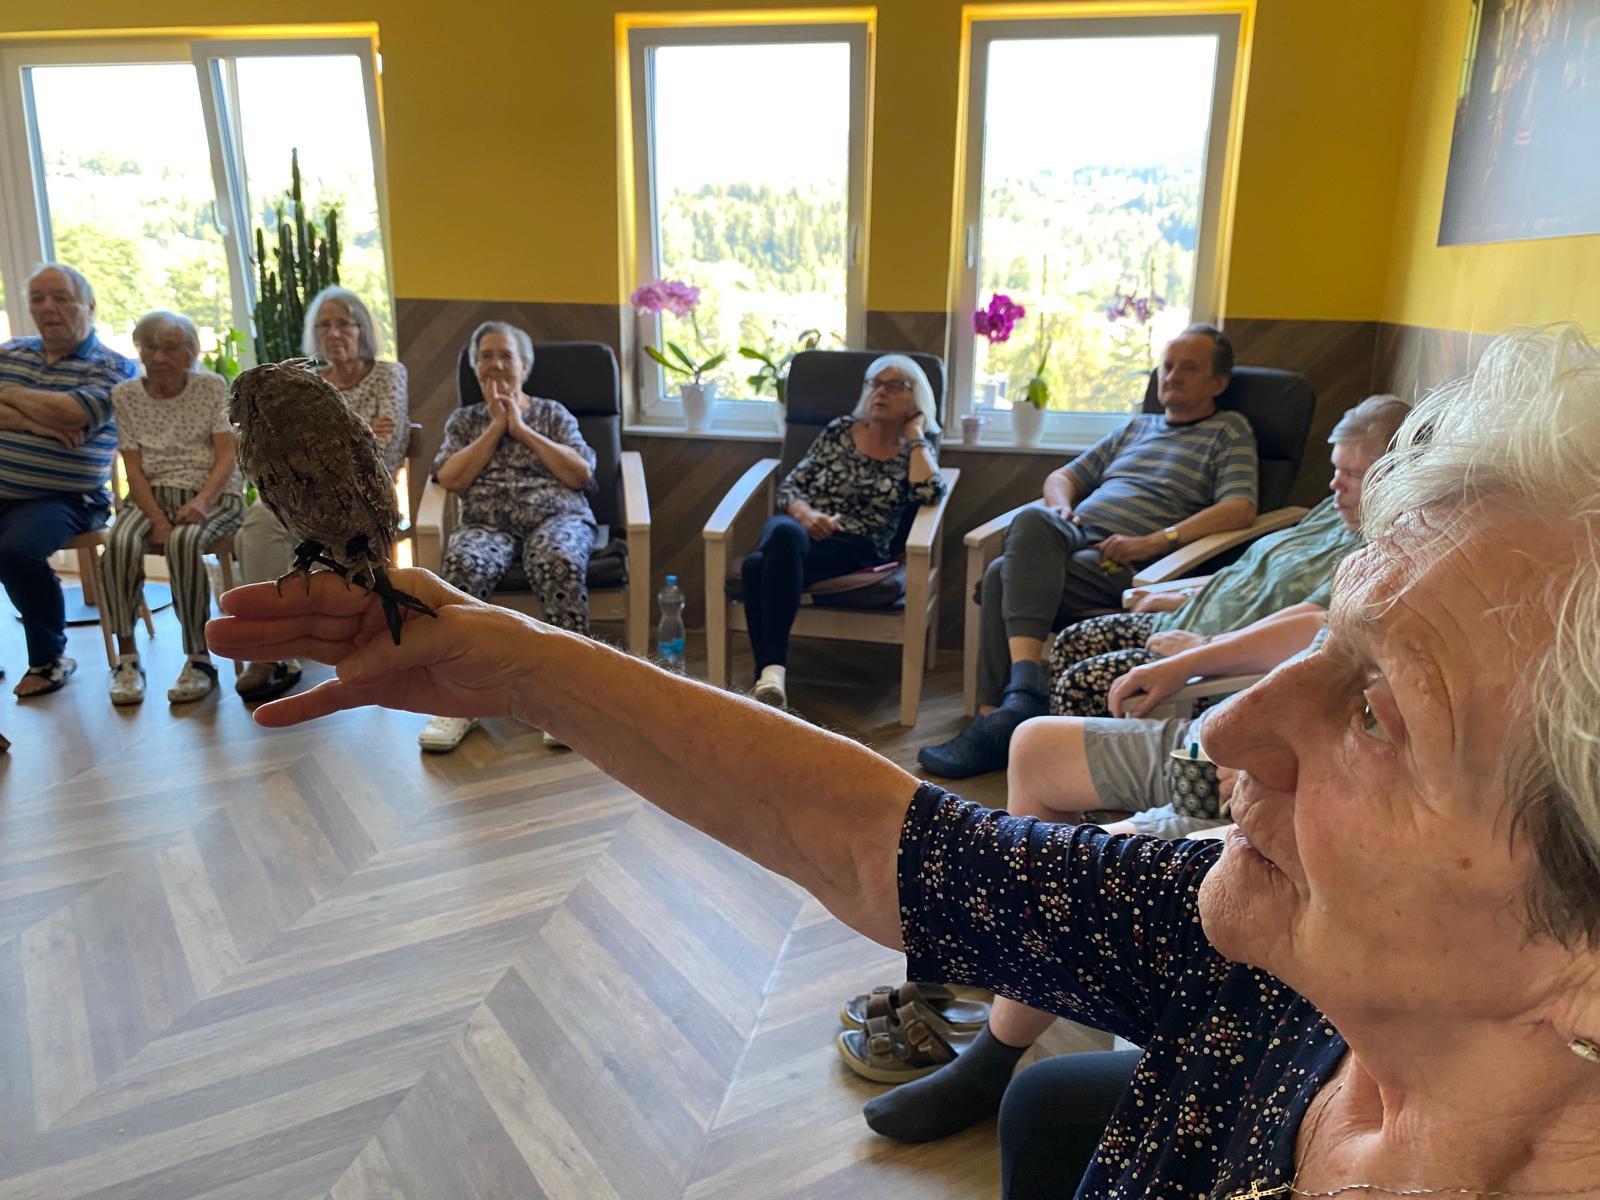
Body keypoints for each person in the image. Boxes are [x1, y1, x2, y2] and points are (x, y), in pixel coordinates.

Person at [210, 326, 1600, 1198]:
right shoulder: (1265, 970)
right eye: (1332, 639)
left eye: (1379, 713)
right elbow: (889, 842)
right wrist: (517, 663)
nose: (1229, 728)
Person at [920, 324, 1258, 779]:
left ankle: (995, 717)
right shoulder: (1137, 427)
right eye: (1167, 366)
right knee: (1033, 519)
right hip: (1078, 535)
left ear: (1218, 382)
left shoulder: (1228, 430)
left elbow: (1239, 507)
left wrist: (1157, 541)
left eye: (1189, 368)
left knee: (1001, 575)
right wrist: (1062, 508)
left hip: (1139, 561)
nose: (1172, 376)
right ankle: (1018, 697)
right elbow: (1062, 477)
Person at [1046, 393, 1411, 717]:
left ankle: (1071, 763)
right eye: (1336, 468)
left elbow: (1310, 628)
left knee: (1079, 686)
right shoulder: (1334, 513)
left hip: (1217, 666)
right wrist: (1184, 595)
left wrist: (1201, 649)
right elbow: (1258, 578)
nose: (1335, 484)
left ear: (1396, 476)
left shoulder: (1375, 555)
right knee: (1071, 641)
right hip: (1191, 620)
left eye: (1352, 474)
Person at [417, 321, 596, 753]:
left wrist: (521, 428)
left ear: (524, 366)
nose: (495, 364)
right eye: (486, 356)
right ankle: (458, 701)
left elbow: (580, 474)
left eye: (505, 355)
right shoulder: (464, 421)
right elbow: (450, 478)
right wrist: (495, 427)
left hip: (556, 517)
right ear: (475, 367)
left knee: (559, 561)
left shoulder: (552, 414)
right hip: (487, 524)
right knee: (462, 567)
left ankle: (566, 699)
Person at [234, 285, 408, 703]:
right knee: (257, 524)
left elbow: (388, 439)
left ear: (362, 329)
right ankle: (273, 644)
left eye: (343, 323)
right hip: (295, 487)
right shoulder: (303, 382)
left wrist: (342, 438)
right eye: (323, 325)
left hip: (359, 482)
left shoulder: (386, 373)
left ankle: (321, 631)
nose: (333, 333)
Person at [742, 354, 947, 708]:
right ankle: (772, 679)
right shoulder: (839, 430)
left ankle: (768, 674)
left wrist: (915, 436)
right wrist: (808, 515)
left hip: (855, 547)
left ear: (916, 398)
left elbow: (929, 493)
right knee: (784, 534)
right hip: (798, 529)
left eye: (893, 386)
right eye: (874, 384)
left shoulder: (914, 451)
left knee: (755, 567)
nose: (880, 392)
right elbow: (790, 487)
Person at [0, 263, 136, 697]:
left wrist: (9, 395)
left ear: (89, 305)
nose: (48, 308)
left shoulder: (114, 365)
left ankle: (49, 658)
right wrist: (35, 423)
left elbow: (75, 414)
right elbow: (56, 414)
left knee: (15, 549)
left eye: (61, 297)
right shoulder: (11, 353)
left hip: (69, 497)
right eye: (38, 299)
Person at [98, 312, 244, 704]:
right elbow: (132, 467)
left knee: (184, 542)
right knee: (118, 543)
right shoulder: (126, 395)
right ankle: (127, 659)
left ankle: (199, 659)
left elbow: (226, 455)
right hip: (150, 497)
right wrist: (156, 519)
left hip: (212, 494)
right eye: (150, 347)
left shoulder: (211, 386)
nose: (159, 357)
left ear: (192, 351)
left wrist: (201, 501)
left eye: (171, 348)